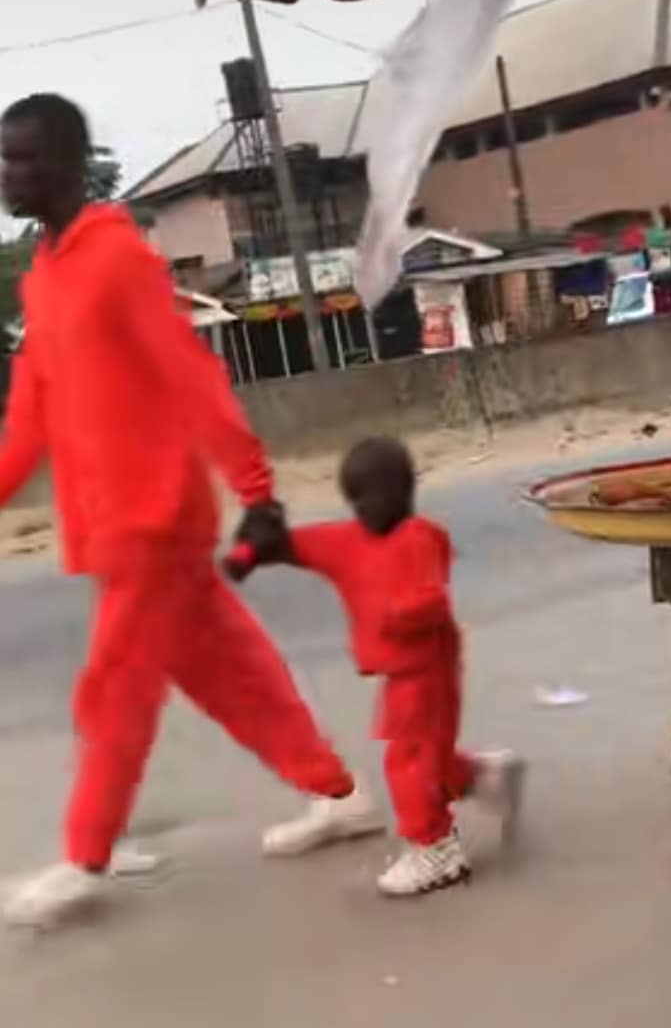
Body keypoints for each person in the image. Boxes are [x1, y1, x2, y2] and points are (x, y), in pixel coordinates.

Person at [0, 94, 381, 927]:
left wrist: (256, 491)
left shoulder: (118, 261)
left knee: (114, 687)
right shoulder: (48, 272)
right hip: (109, 522)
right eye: (4, 157)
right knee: (226, 670)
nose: (7, 173)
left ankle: (84, 855)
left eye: (23, 158)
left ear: (67, 164)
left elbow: (191, 377)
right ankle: (338, 794)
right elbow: (30, 409)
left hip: (153, 518)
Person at [229, 437, 525, 897]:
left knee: (408, 759)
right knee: (428, 755)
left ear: (403, 492)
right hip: (402, 672)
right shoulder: (353, 541)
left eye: (375, 496)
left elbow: (430, 597)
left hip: (428, 669)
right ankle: (485, 777)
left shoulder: (418, 537)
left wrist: (397, 615)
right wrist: (256, 549)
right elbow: (303, 547)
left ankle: (436, 848)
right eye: (357, 500)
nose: (366, 509)